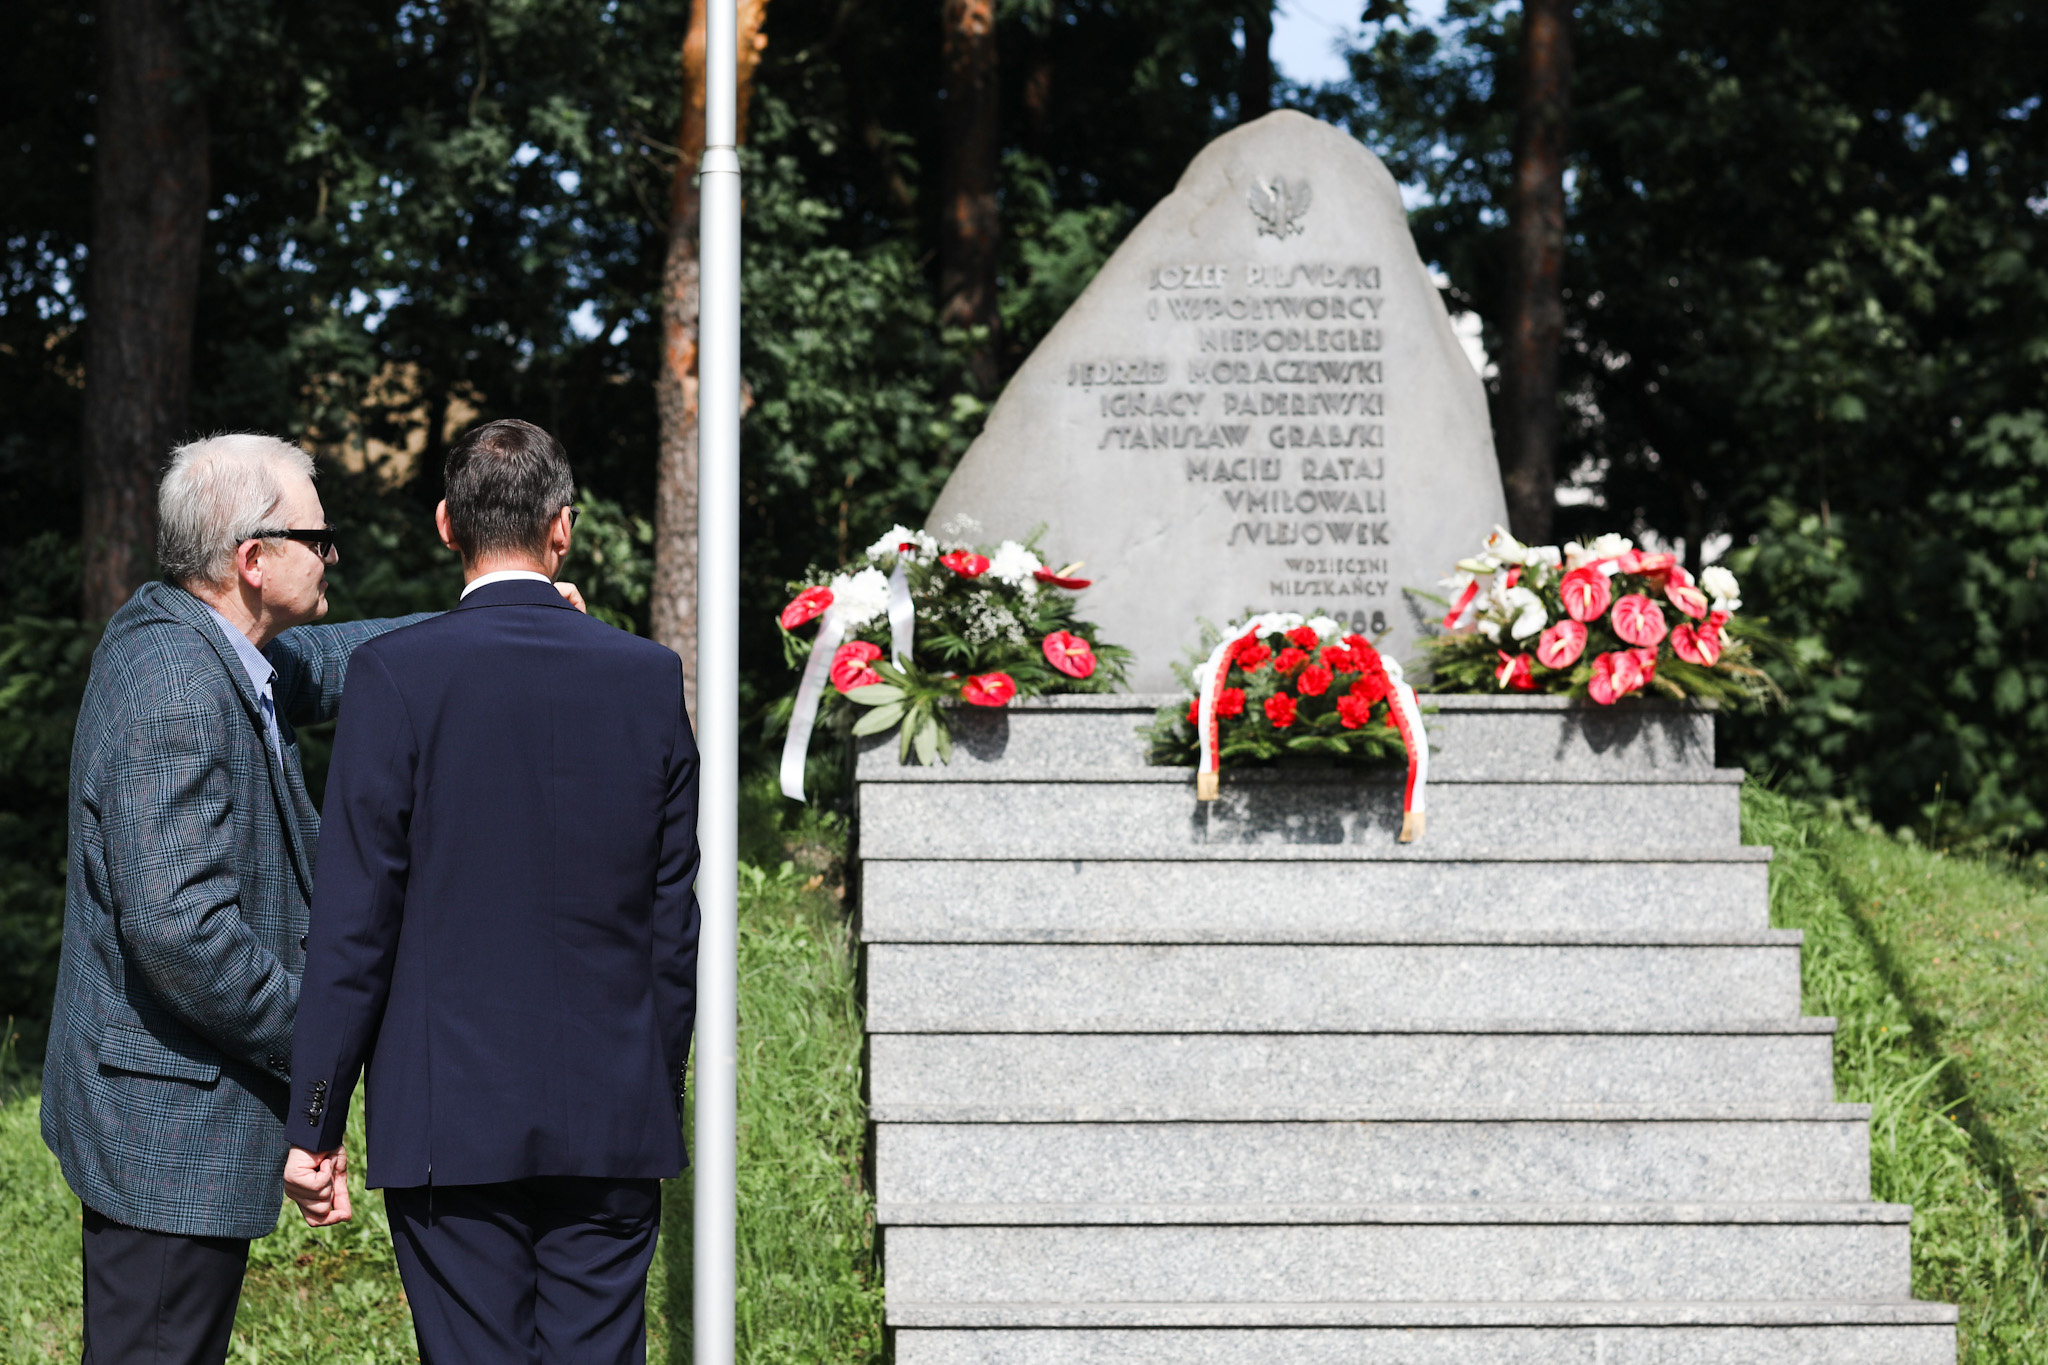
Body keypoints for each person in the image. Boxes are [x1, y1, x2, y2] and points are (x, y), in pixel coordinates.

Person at [284, 419, 700, 1365]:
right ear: (563, 528)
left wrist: (315, 1117)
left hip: (450, 1121)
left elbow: (355, 919)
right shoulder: (649, 677)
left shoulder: (392, 674)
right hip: (612, 1113)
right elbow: (671, 923)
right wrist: (652, 1085)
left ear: (446, 524)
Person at [40, 434, 451, 1365]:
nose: (332, 553)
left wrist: (474, 624)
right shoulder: (177, 688)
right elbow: (182, 934)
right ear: (253, 559)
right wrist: (324, 1043)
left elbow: (341, 660)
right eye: (318, 536)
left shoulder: (203, 639)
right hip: (163, 1136)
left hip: (165, 1114)